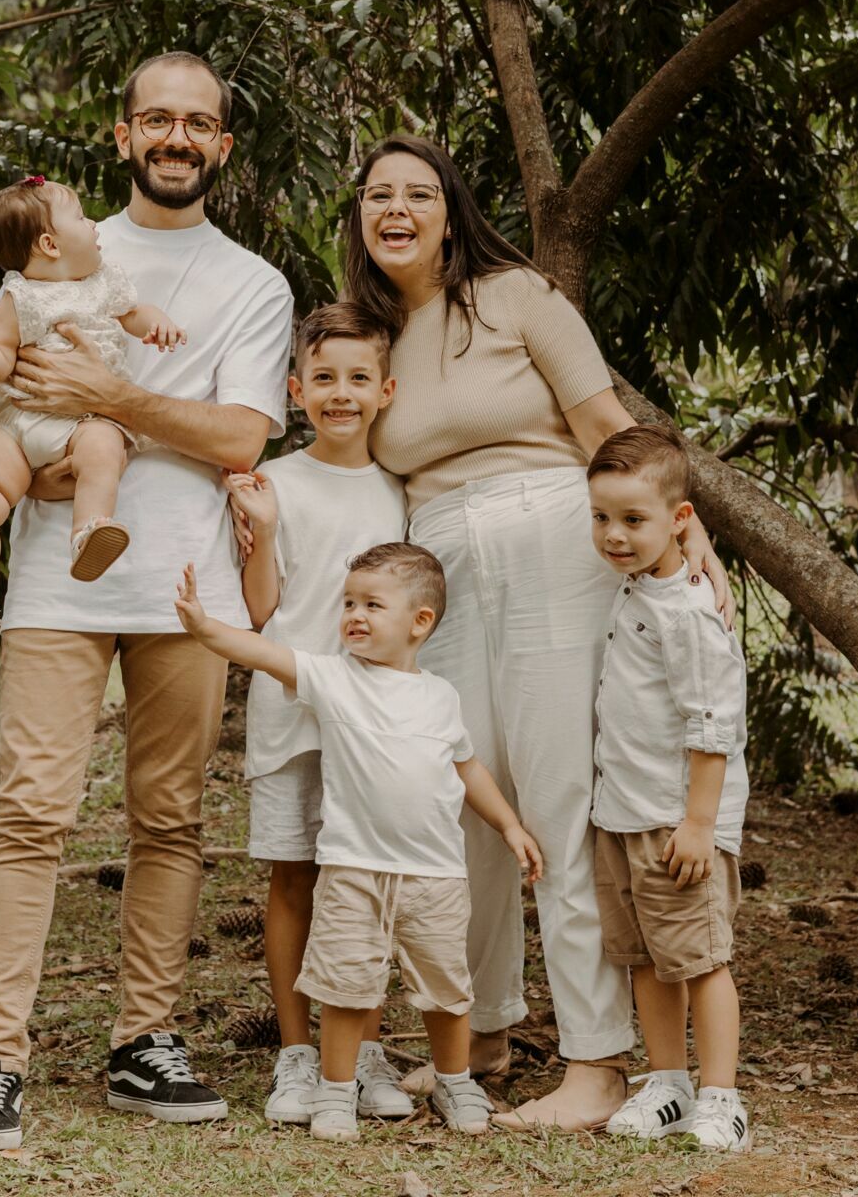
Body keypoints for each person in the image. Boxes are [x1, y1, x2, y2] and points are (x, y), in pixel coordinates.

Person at [343, 133, 733, 1131]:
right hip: (441, 561)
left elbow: (605, 422)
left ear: (449, 209)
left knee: (560, 800)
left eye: (415, 192)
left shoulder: (515, 297)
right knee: (460, 798)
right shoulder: (372, 335)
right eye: (375, 194)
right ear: (358, 219)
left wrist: (688, 537)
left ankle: (597, 1060)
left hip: (552, 541)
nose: (394, 207)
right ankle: (475, 1039)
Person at [0, 52, 293, 1153]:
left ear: (221, 146)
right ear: (123, 133)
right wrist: (35, 464)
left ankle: (146, 1040)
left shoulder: (254, 283)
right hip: (53, 581)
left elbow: (242, 433)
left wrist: (109, 395)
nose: (176, 137)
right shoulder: (52, 247)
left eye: (197, 123)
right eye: (157, 120)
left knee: (170, 818)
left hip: (186, 585)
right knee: (30, 814)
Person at [174, 542, 543, 1143]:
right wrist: (203, 624)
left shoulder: (441, 697)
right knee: (346, 987)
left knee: (446, 991)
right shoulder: (333, 678)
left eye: (373, 604)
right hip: (352, 871)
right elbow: (263, 652)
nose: (355, 614)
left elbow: (468, 769)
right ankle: (337, 1091)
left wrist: (509, 824)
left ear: (420, 621)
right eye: (349, 602)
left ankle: (455, 1079)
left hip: (435, 876)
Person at [224, 302, 411, 1127]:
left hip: (374, 721)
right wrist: (260, 532)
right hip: (293, 707)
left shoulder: (403, 491)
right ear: (297, 390)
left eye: (358, 379)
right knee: (294, 875)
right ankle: (297, 1056)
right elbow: (261, 611)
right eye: (325, 379)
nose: (341, 393)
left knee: (364, 883)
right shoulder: (276, 484)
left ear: (386, 391)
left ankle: (362, 1051)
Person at [0, 176, 186, 650]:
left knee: (105, 450)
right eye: (82, 218)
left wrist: (158, 324)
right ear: (49, 243)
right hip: (20, 424)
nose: (93, 225)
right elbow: (0, 364)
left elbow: (133, 313)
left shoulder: (104, 282)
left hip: (84, 420)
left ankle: (88, 532)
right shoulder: (17, 298)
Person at [586, 426, 750, 1151]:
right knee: (647, 959)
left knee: (701, 959)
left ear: (680, 520)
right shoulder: (632, 591)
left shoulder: (687, 611)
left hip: (675, 817)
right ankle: (667, 1084)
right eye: (601, 518)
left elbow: (711, 725)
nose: (614, 535)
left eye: (632, 520)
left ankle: (720, 1097)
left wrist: (697, 822)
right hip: (623, 812)